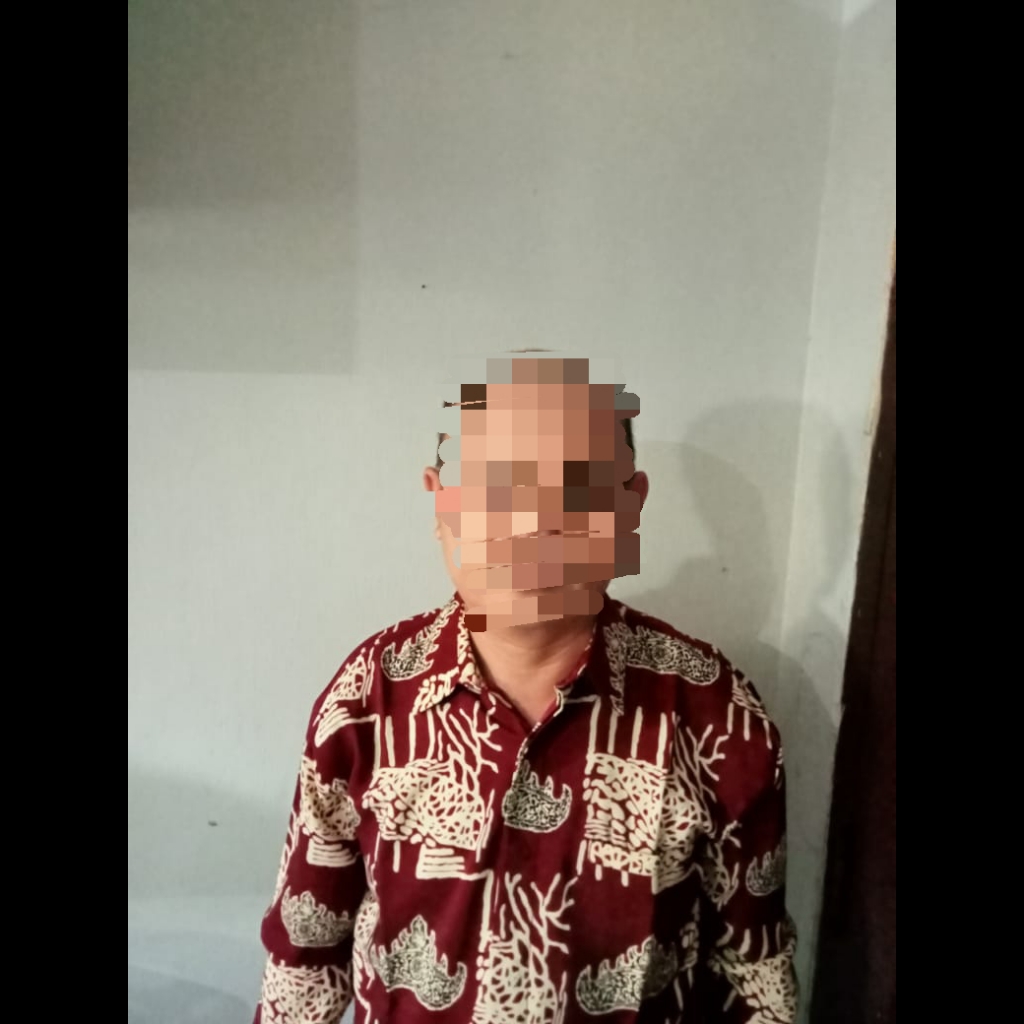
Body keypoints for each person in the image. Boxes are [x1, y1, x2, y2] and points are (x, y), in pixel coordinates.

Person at [255, 356, 797, 1023]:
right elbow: (306, 952)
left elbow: (753, 964)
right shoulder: (368, 696)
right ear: (441, 501)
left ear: (630, 504)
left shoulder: (714, 709)